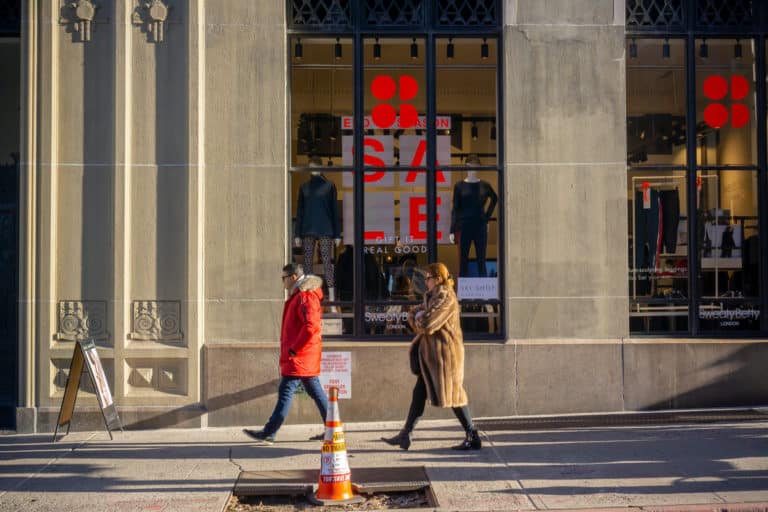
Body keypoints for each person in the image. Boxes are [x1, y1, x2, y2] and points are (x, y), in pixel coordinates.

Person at [381, 262, 482, 451]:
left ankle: (473, 435)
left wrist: (419, 316)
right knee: (419, 394)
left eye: (428, 278)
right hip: (432, 357)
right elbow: (415, 313)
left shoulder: (445, 297)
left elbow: (427, 323)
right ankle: (406, 434)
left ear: (437, 279)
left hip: (446, 357)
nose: (425, 281)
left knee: (455, 396)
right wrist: (417, 314)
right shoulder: (432, 297)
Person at [243, 263, 328, 444]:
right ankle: (334, 429)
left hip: (300, 357)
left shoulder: (305, 296)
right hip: (304, 357)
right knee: (315, 392)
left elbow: (311, 327)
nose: (282, 282)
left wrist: (294, 349)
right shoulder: (300, 296)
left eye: (284, 278)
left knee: (286, 391)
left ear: (294, 277)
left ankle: (269, 432)